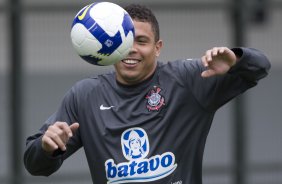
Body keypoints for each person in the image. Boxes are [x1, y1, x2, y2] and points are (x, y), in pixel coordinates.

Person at [24, 3, 271, 184]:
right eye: (124, 40)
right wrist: (47, 148)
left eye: (141, 41)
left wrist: (237, 59)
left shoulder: (187, 79)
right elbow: (35, 165)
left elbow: (260, 68)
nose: (131, 49)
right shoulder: (85, 95)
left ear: (158, 48)